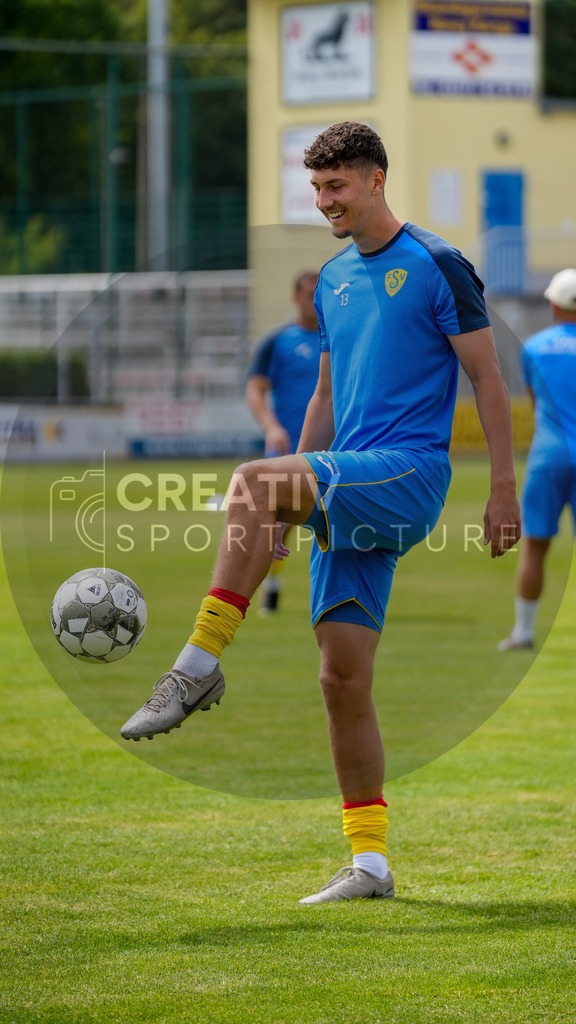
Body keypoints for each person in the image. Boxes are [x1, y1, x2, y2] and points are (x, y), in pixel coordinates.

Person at [121, 122, 521, 904]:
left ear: (376, 179)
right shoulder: (335, 279)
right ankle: (369, 862)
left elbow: (489, 380)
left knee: (249, 479)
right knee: (341, 677)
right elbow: (328, 401)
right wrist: (286, 502)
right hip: (345, 479)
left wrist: (502, 486)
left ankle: (194, 669)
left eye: (336, 186)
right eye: (316, 189)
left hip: (406, 476)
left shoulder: (438, 264)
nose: (324, 201)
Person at [498, 268, 576, 651]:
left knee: (535, 545)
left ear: (553, 303)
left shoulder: (535, 346)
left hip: (549, 452)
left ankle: (524, 632)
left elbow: (535, 403)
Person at [246, 270, 320, 614]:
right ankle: (269, 585)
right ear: (295, 297)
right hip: (287, 445)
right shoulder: (277, 340)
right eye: (308, 293)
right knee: (278, 525)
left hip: (333, 447)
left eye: (319, 293)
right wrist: (270, 426)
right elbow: (255, 389)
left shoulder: (336, 338)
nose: (314, 300)